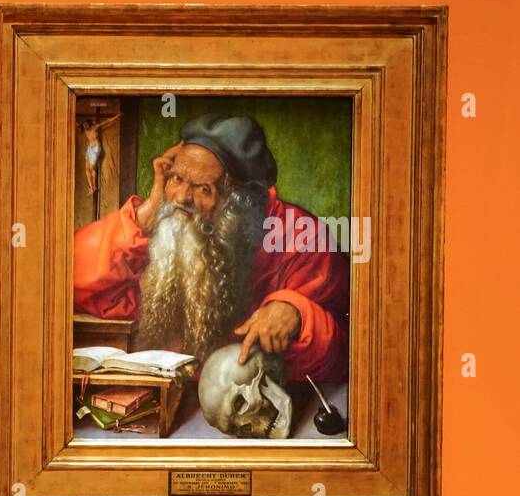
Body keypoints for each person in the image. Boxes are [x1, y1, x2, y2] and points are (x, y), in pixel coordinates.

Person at [72, 113, 349, 383]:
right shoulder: (170, 230)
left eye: (203, 189)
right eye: (176, 179)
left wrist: (298, 314)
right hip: (176, 407)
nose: (181, 198)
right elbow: (71, 279)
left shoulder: (300, 238)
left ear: (239, 203)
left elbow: (348, 356)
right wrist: (144, 216)